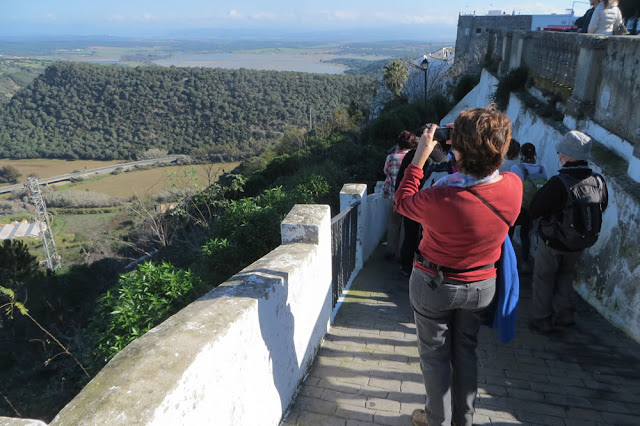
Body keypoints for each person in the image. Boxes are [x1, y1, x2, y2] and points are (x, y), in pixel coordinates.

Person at [395, 105, 522, 426]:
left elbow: (402, 201)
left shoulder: (440, 197)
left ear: (459, 150)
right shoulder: (513, 186)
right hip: (482, 286)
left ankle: (435, 418)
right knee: (466, 351)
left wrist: (420, 157)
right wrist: (468, 142)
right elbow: (481, 174)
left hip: (434, 285)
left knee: (434, 356)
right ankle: (463, 420)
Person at [528, 131, 608, 335]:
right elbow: (602, 206)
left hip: (553, 241)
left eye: (560, 152)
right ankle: (565, 315)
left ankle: (542, 319)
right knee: (565, 276)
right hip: (580, 241)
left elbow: (535, 209)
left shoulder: (559, 182)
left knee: (544, 278)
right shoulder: (598, 181)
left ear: (567, 155)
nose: (558, 155)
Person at [394, 134, 450, 276]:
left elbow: (401, 178)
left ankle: (407, 266)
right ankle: (422, 267)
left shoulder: (412, 155)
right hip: (433, 205)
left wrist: (398, 197)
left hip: (412, 200)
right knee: (426, 236)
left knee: (409, 234)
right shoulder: (442, 158)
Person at [509, 143, 547, 265]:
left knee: (509, 233)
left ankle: (507, 259)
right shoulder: (542, 169)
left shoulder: (516, 168)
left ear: (521, 154)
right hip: (532, 208)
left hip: (517, 207)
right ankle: (525, 260)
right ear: (535, 154)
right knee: (525, 234)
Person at [382, 131, 417, 260]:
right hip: (409, 196)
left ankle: (390, 250)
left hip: (392, 194)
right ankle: (402, 253)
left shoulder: (391, 157)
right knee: (405, 225)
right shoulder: (415, 158)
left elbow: (386, 172)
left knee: (393, 223)